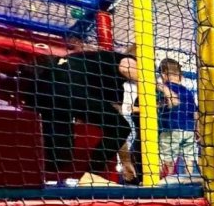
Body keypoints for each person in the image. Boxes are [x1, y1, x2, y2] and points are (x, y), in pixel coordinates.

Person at [22, 48, 138, 183]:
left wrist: (125, 161)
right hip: (68, 87)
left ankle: (35, 179)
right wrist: (155, 84)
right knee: (121, 128)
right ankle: (92, 174)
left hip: (43, 90)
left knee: (59, 154)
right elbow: (125, 67)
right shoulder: (125, 59)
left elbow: (115, 127)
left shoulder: (105, 73)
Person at [157, 58, 198, 177]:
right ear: (180, 76)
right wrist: (197, 129)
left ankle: (165, 179)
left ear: (163, 75)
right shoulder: (188, 92)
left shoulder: (165, 89)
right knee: (189, 157)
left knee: (166, 157)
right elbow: (195, 113)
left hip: (171, 129)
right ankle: (189, 178)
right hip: (189, 130)